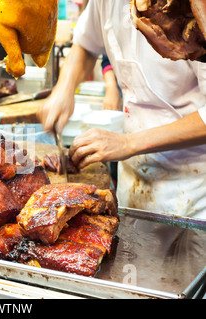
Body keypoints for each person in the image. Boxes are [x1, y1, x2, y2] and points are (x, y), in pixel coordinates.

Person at [38, 0, 206, 219]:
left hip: (193, 187)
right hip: (133, 179)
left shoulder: (190, 7)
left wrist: (128, 143)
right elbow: (86, 45)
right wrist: (65, 87)